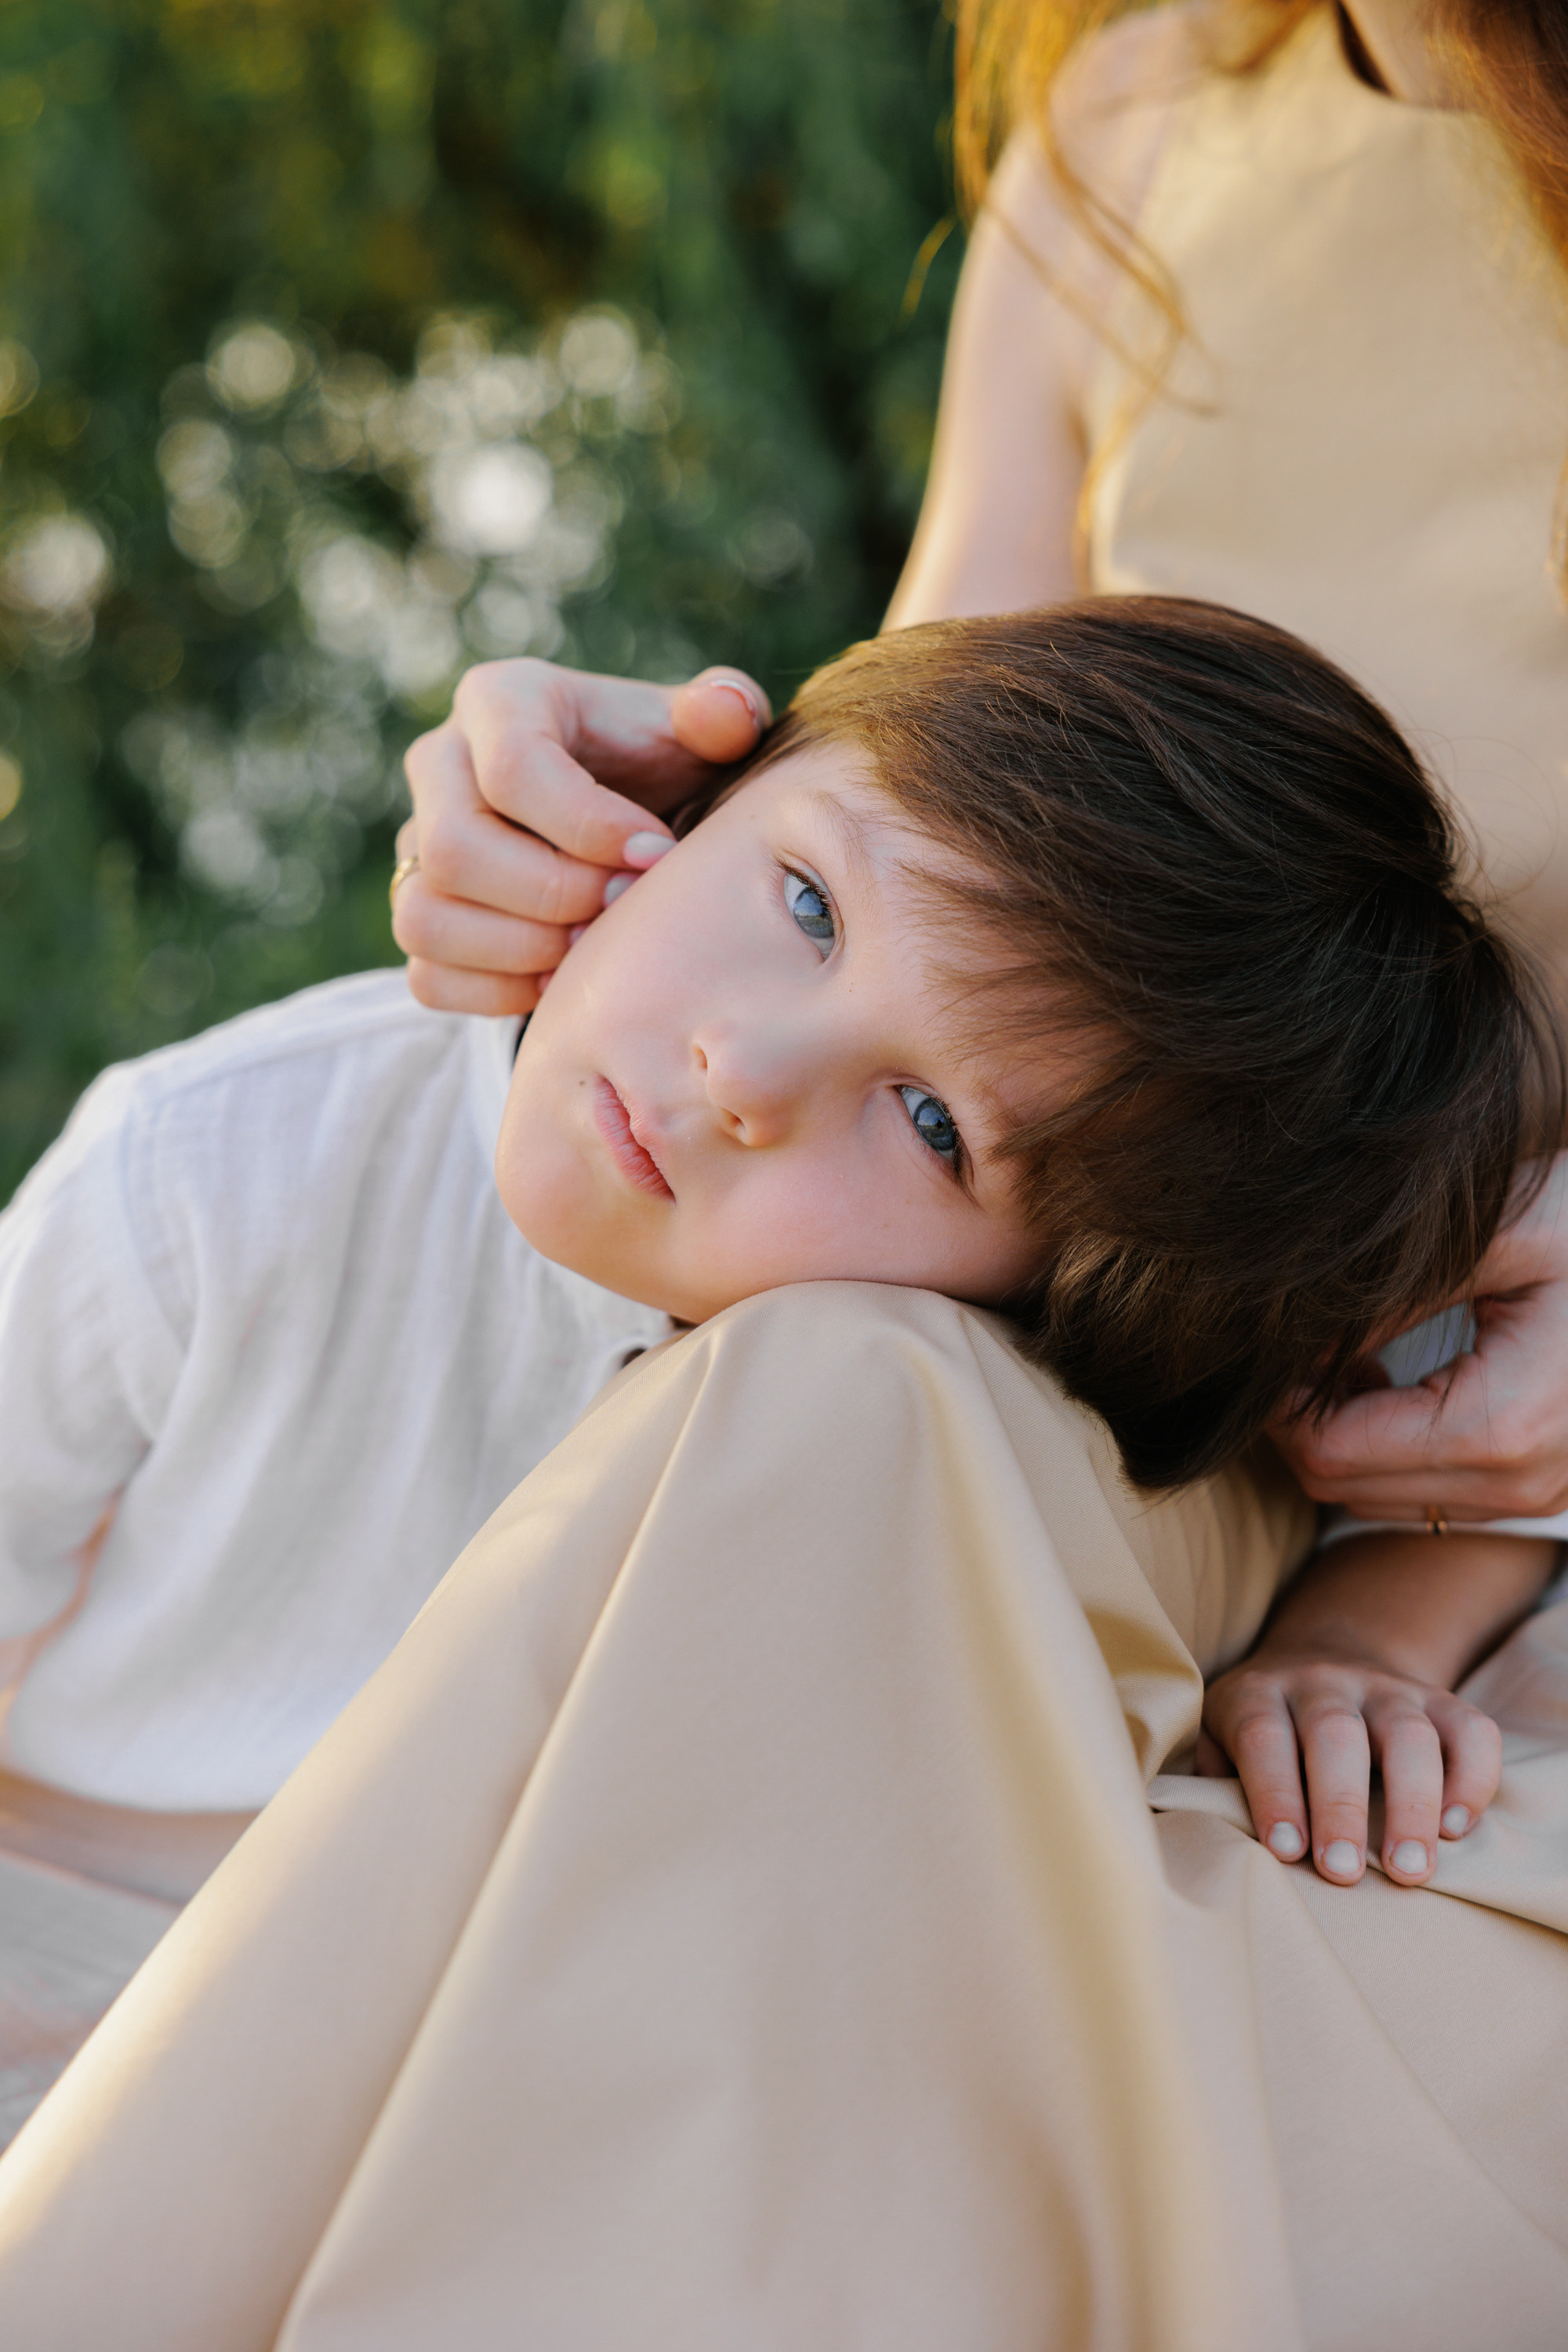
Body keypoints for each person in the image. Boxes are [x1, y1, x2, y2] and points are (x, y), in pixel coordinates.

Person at [5, 595, 1568, 2347]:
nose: (739, 1072)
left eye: (928, 1126)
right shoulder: (218, 1174)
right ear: (704, 802)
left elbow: (1413, 1439)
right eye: (806, 903)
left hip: (480, 2069)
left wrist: (1367, 1630)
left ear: (1042, 1306)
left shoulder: (904, 1453)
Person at [390, 0, 1568, 1535]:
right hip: (1071, 1344)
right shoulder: (1141, 111)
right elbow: (913, 800)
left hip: (1417, 1421)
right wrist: (582, 828)